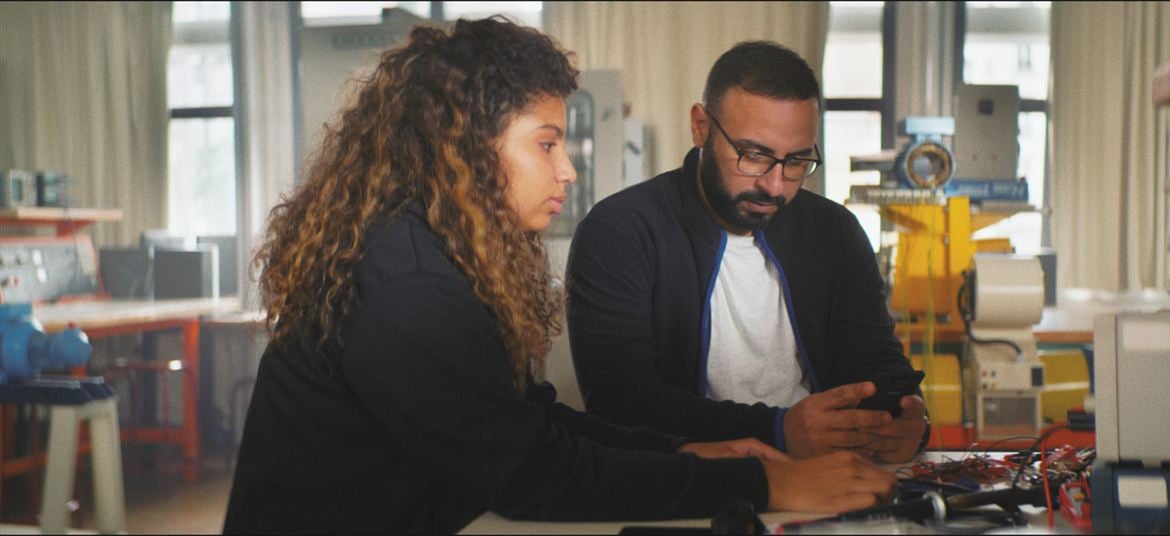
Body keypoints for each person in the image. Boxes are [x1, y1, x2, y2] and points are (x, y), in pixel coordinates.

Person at [222, 20, 898, 534]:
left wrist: (693, 450)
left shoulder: (432, 253)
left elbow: (530, 422)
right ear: (466, 143)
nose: (567, 170)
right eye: (546, 143)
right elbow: (532, 476)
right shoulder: (407, 284)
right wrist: (760, 483)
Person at [566, 41, 928, 465]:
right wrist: (778, 431)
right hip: (688, 480)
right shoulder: (620, 231)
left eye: (795, 162)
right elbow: (619, 401)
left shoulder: (836, 231)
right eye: (753, 156)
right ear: (700, 126)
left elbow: (873, 358)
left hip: (825, 472)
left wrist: (910, 420)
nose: (774, 186)